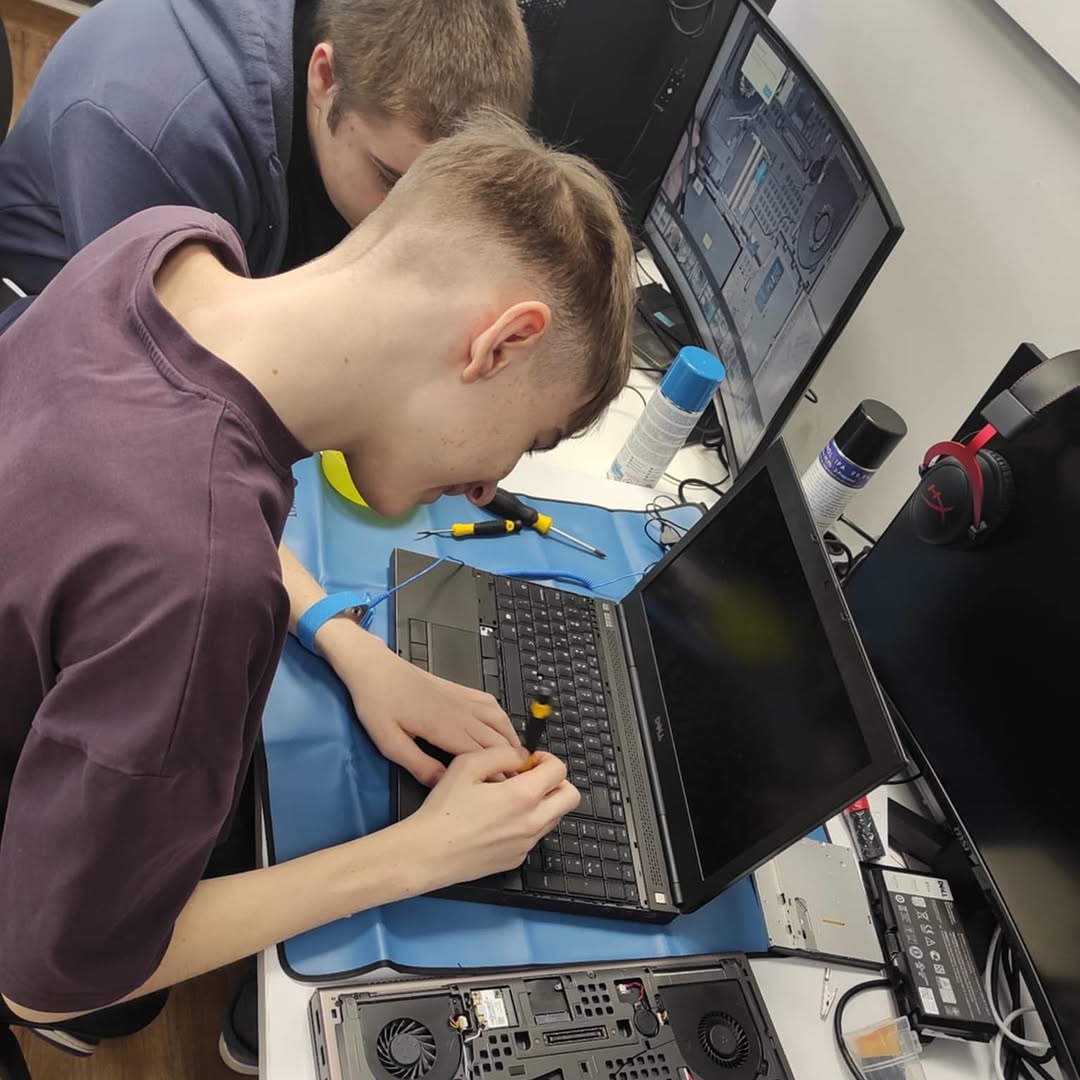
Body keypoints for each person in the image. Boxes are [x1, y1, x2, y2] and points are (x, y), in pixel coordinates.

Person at [0, 112, 635, 1074]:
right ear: (502, 344)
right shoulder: (200, 588)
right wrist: (424, 853)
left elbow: (177, 485)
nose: (487, 487)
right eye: (529, 441)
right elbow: (49, 980)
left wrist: (350, 643)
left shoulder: (173, 248)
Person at [0, 0, 532, 308]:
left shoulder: (368, 104)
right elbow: (172, 381)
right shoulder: (162, 131)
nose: (415, 223)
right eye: (391, 180)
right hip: (51, 315)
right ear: (325, 75)